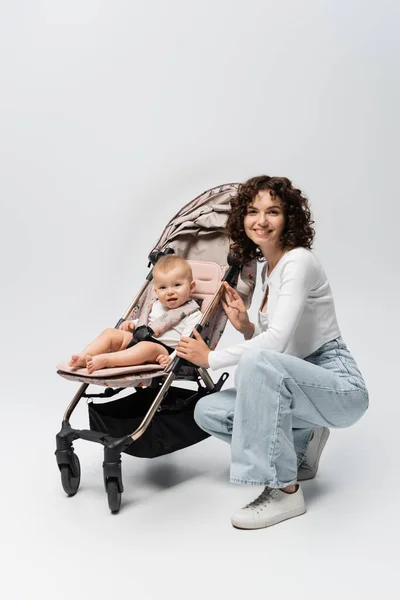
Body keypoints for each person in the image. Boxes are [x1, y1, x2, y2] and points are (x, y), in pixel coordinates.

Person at [176, 175, 368, 530]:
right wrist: (247, 327)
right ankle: (303, 440)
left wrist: (210, 359)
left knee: (258, 363)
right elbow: (277, 340)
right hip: (296, 379)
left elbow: (275, 346)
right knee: (208, 410)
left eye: (273, 211)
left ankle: (284, 489)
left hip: (338, 384)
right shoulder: (269, 267)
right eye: (252, 211)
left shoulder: (299, 262)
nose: (260, 220)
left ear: (289, 218)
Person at [69, 255, 202, 374]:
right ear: (155, 291)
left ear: (191, 287)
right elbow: (149, 322)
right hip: (140, 340)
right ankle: (84, 356)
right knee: (110, 333)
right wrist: (132, 324)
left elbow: (186, 343)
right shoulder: (156, 305)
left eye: (177, 285)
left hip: (163, 350)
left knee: (147, 348)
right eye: (163, 287)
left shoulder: (194, 315)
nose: (170, 292)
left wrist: (171, 359)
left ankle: (106, 360)